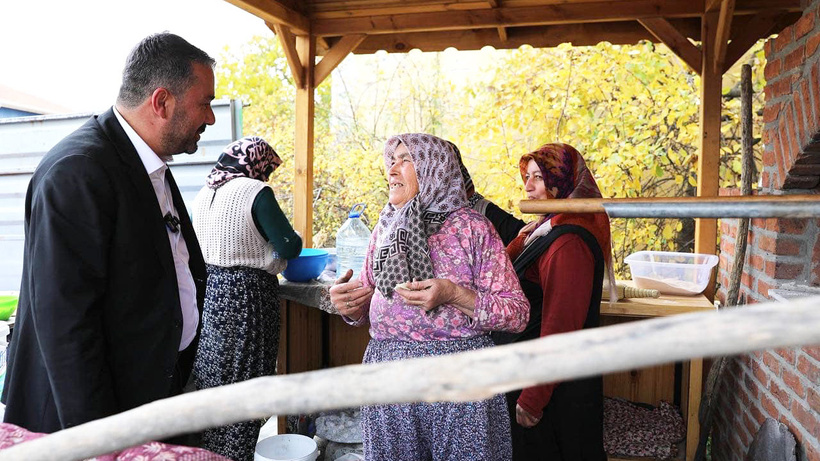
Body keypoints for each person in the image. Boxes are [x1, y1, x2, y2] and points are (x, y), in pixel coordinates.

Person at [2, 32, 215, 434]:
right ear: (162, 102)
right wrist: (99, 443)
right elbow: (66, 326)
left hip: (147, 398)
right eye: (204, 103)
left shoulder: (146, 164)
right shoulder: (78, 172)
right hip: (94, 421)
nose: (210, 118)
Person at [329, 133, 529, 461]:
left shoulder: (472, 229)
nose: (392, 170)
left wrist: (453, 294)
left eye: (405, 159)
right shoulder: (385, 227)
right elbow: (367, 296)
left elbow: (517, 313)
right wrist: (349, 304)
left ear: (434, 168)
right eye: (391, 161)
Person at [469, 143, 611, 460]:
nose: (528, 186)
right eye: (527, 176)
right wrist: (521, 240)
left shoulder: (569, 243)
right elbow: (501, 277)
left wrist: (533, 397)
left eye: (539, 177)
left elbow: (561, 325)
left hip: (555, 394)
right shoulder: (547, 229)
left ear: (562, 183)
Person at [191, 136, 302, 460]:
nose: (266, 176)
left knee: (218, 384)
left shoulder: (205, 192)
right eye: (266, 169)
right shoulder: (254, 192)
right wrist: (285, 245)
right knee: (248, 387)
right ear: (258, 164)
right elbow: (290, 246)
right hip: (247, 302)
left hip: (212, 296)